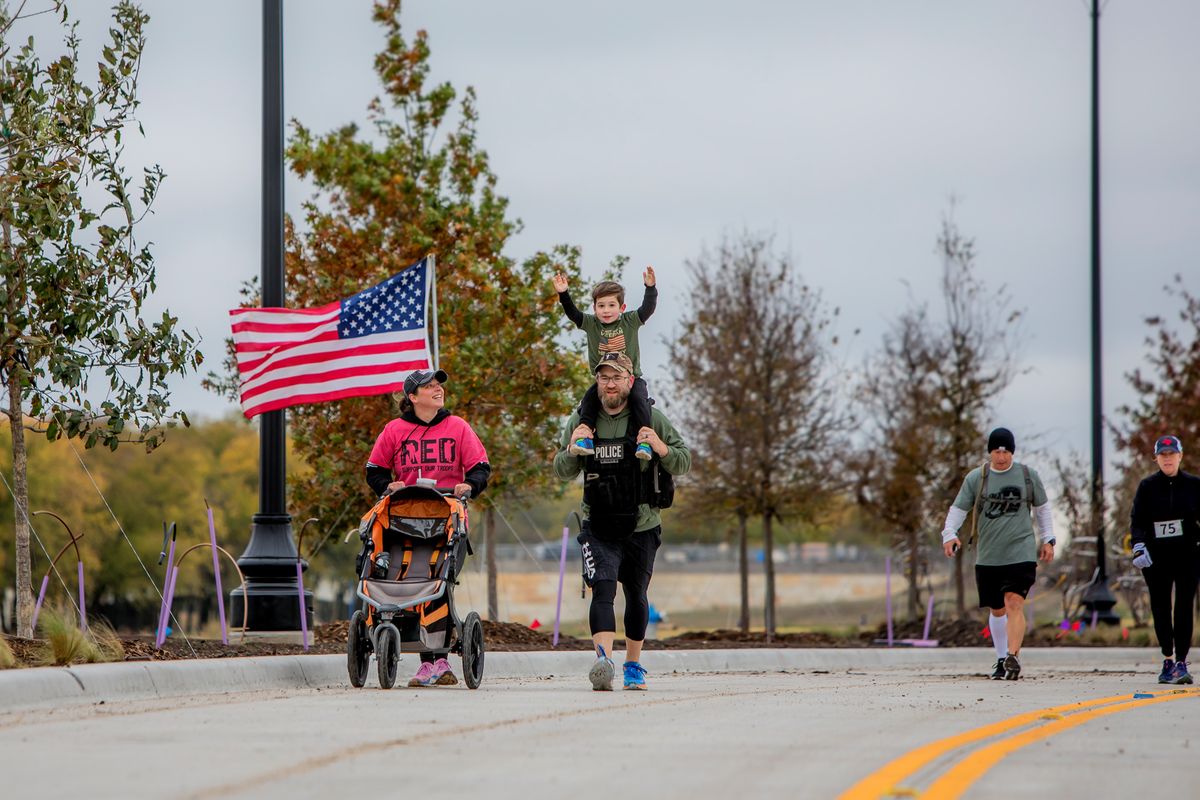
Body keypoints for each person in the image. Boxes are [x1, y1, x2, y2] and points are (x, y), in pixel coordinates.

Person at [553, 351, 691, 691]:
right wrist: (571, 451)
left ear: (630, 381)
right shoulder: (582, 421)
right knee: (602, 588)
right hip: (597, 522)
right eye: (604, 377)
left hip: (642, 524)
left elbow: (683, 461)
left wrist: (660, 447)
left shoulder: (651, 418)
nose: (610, 383)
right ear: (597, 381)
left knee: (636, 594)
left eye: (616, 377)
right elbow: (560, 469)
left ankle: (632, 665)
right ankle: (604, 661)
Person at [365, 367, 491, 687]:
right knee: (406, 573)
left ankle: (438, 662)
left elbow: (480, 468)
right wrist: (387, 485)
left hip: (448, 518)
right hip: (404, 521)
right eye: (430, 386)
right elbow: (374, 470)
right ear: (413, 397)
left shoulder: (458, 427)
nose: (438, 390)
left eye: (439, 385)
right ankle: (426, 661)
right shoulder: (394, 430)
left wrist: (468, 486)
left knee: (438, 576)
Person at [940, 427, 1055, 681]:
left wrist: (1048, 539)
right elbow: (959, 508)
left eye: (1005, 451)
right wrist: (949, 533)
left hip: (1021, 550)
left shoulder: (1027, 476)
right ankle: (1001, 658)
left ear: (1012, 452)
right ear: (990, 452)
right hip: (989, 554)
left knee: (1014, 602)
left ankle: (1013, 656)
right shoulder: (977, 478)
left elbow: (1043, 509)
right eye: (996, 451)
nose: (1001, 456)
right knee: (996, 609)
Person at [552, 268, 657, 461]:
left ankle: (644, 441)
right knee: (588, 401)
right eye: (601, 306)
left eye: (611, 305)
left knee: (640, 401)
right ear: (594, 308)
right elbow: (573, 313)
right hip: (603, 379)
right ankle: (585, 438)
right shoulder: (592, 324)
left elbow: (647, 309)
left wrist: (650, 288)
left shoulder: (630, 321)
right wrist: (563, 293)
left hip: (630, 379)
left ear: (622, 308)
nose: (606, 310)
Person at [1128, 434, 1200, 685]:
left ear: (1180, 456)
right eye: (1163, 455)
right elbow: (1137, 521)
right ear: (1156, 458)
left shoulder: (1194, 485)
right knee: (1160, 607)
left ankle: (1181, 661)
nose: (1167, 459)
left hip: (1188, 555)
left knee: (1183, 607)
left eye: (1172, 454)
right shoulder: (1147, 487)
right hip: (1156, 558)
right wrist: (1138, 546)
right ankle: (1167, 660)